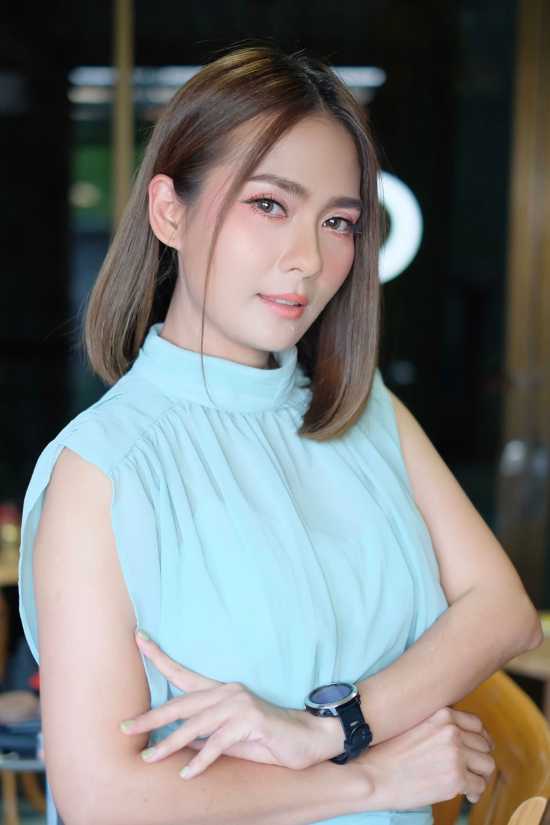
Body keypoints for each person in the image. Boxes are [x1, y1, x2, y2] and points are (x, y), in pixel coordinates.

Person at [18, 44, 541, 825]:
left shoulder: (366, 413)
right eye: (269, 204)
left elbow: (504, 611)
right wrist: (368, 778)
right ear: (170, 211)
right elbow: (103, 798)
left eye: (339, 222)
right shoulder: (102, 468)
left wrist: (332, 728)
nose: (307, 259)